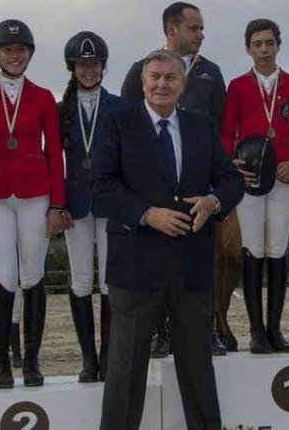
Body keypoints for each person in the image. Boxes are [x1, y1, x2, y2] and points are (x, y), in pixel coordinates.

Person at [94, 49, 243, 430]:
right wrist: (148, 215)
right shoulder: (116, 123)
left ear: (183, 84)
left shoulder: (201, 127)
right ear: (143, 81)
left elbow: (231, 179)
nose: (162, 84)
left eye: (170, 78)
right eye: (154, 77)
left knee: (197, 367)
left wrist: (214, 201)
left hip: (191, 266)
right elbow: (101, 186)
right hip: (135, 265)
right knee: (125, 371)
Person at [121, 1, 228, 356]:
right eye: (194, 28)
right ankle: (158, 331)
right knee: (155, 262)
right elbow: (126, 126)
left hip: (195, 187)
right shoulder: (142, 70)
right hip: (153, 187)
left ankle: (206, 329)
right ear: (172, 30)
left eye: (201, 28)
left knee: (200, 263)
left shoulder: (211, 72)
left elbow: (221, 129)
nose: (201, 34)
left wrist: (217, 187)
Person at [0, 19, 65, 388]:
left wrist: (57, 203)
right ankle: (1, 363)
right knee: (4, 276)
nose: (15, 55)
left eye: (21, 49)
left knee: (33, 275)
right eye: (8, 50)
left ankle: (33, 361)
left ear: (30, 54)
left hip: (34, 195)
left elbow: (54, 151)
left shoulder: (42, 97)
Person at [220, 18, 289, 354]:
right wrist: (233, 163)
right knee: (253, 249)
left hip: (284, 175)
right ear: (248, 49)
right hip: (251, 178)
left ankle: (275, 330)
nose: (264, 50)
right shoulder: (238, 86)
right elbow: (227, 132)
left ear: (278, 45)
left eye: (269, 43)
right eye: (257, 44)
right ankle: (256, 331)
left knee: (278, 250)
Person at [58, 31, 121, 382]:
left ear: (102, 67)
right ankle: (88, 359)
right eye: (83, 64)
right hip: (76, 203)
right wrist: (57, 203)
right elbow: (55, 161)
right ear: (73, 67)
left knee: (110, 280)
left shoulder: (120, 106)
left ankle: (110, 355)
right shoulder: (60, 110)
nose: (88, 70)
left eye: (94, 64)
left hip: (110, 202)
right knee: (81, 279)